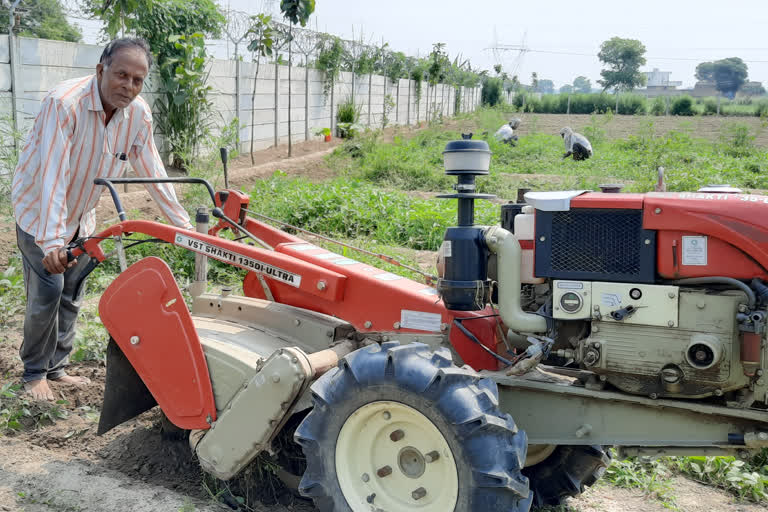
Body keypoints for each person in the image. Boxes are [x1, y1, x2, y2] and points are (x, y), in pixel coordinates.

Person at [11, 38, 192, 400]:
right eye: (121, 75)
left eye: (137, 80)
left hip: (81, 216)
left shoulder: (138, 114)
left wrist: (185, 227)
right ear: (100, 70)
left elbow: (152, 170)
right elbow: (52, 176)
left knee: (72, 291)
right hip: (39, 212)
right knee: (48, 290)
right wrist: (51, 243)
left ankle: (57, 369)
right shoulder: (65, 105)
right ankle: (34, 373)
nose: (128, 86)